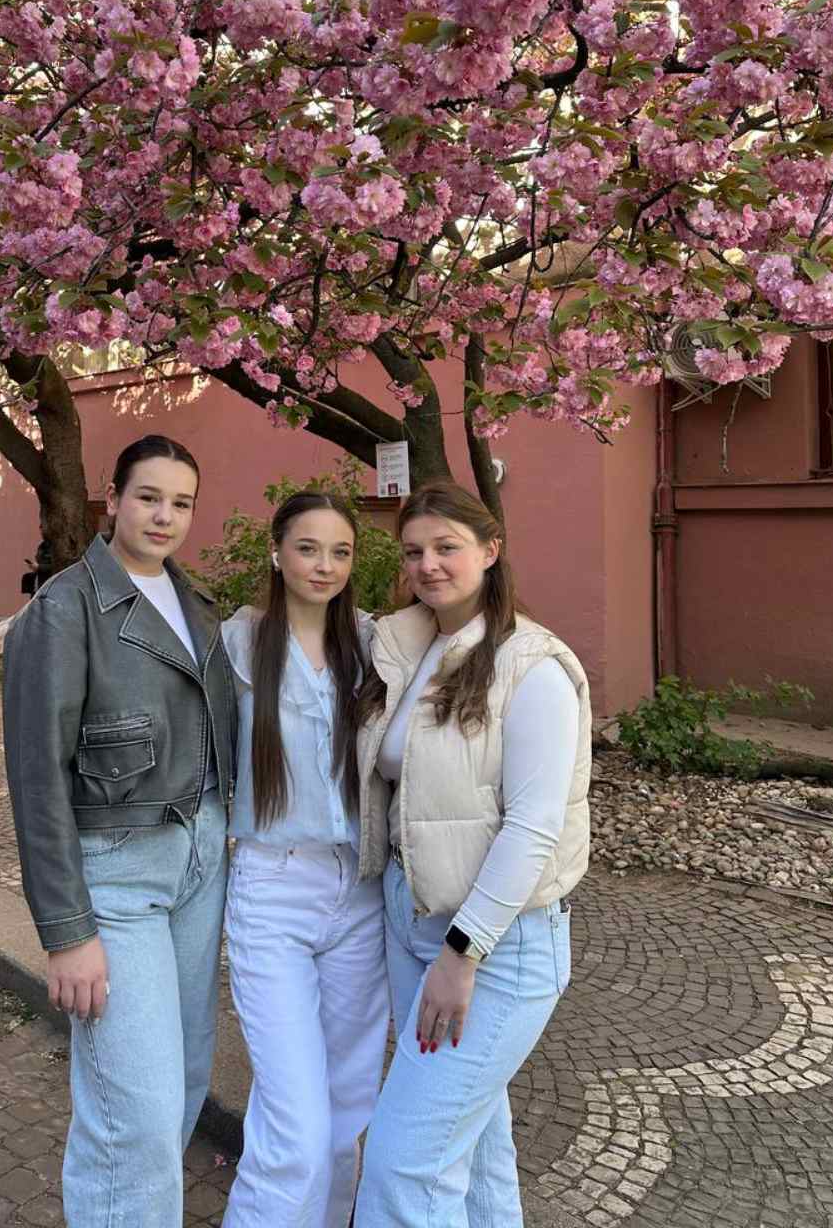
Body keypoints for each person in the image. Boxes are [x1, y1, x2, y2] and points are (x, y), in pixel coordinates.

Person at [2, 434, 237, 1228]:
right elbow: (37, 777)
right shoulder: (64, 609)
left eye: (181, 503)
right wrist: (67, 931)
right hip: (119, 871)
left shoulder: (197, 604)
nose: (164, 516)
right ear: (114, 498)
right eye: (149, 497)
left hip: (201, 859)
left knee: (185, 1080)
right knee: (134, 1110)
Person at [351, 481, 591, 1228]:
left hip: (495, 945)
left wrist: (463, 953)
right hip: (411, 918)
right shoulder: (406, 648)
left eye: (446, 547)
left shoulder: (533, 666)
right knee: (477, 1141)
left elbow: (533, 828)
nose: (428, 564)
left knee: (405, 1162)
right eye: (413, 551)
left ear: (491, 551)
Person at [219, 490, 389, 1228]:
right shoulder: (237, 642)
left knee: (349, 1103)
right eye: (308, 548)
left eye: (341, 552)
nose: (325, 565)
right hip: (273, 883)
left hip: (361, 887)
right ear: (276, 552)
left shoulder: (375, 643)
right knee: (294, 1117)